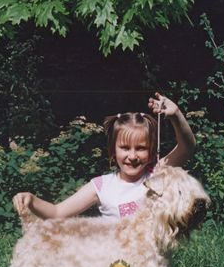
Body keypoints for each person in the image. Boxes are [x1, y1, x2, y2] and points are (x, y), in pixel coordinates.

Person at [13, 92, 196, 220]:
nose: (132, 156)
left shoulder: (157, 174)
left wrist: (176, 115)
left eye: (140, 148)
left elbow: (187, 147)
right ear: (113, 151)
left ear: (151, 152)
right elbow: (57, 212)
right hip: (114, 266)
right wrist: (31, 200)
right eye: (124, 148)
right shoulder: (101, 186)